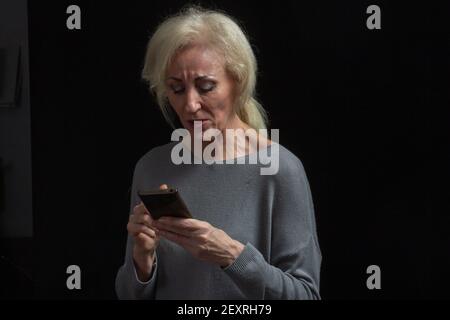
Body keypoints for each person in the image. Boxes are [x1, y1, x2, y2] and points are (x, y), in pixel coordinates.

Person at [115, 6, 321, 300]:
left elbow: (305, 295)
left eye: (206, 86)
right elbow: (128, 295)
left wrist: (232, 256)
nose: (189, 105)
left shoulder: (279, 168)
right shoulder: (152, 167)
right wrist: (142, 261)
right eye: (176, 88)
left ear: (237, 82)